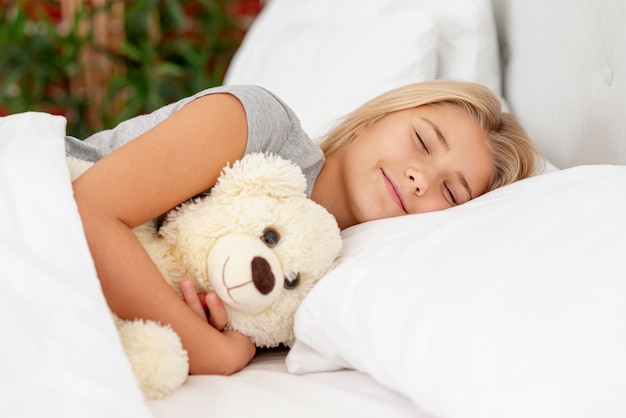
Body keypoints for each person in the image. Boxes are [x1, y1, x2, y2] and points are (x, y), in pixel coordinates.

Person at [66, 79, 543, 376]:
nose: (421, 178)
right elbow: (84, 212)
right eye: (421, 140)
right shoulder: (259, 124)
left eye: (452, 191)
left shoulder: (342, 280)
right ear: (370, 122)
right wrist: (218, 353)